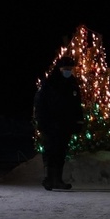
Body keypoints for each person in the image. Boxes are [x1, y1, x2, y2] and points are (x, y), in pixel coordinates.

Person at [33, 56, 83, 191]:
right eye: (65, 69)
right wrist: (42, 122)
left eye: (70, 69)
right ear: (59, 69)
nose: (68, 71)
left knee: (60, 152)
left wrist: (78, 121)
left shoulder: (72, 83)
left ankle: (57, 179)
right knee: (51, 151)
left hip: (65, 124)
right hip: (51, 124)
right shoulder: (50, 83)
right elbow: (40, 104)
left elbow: (76, 104)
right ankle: (50, 179)